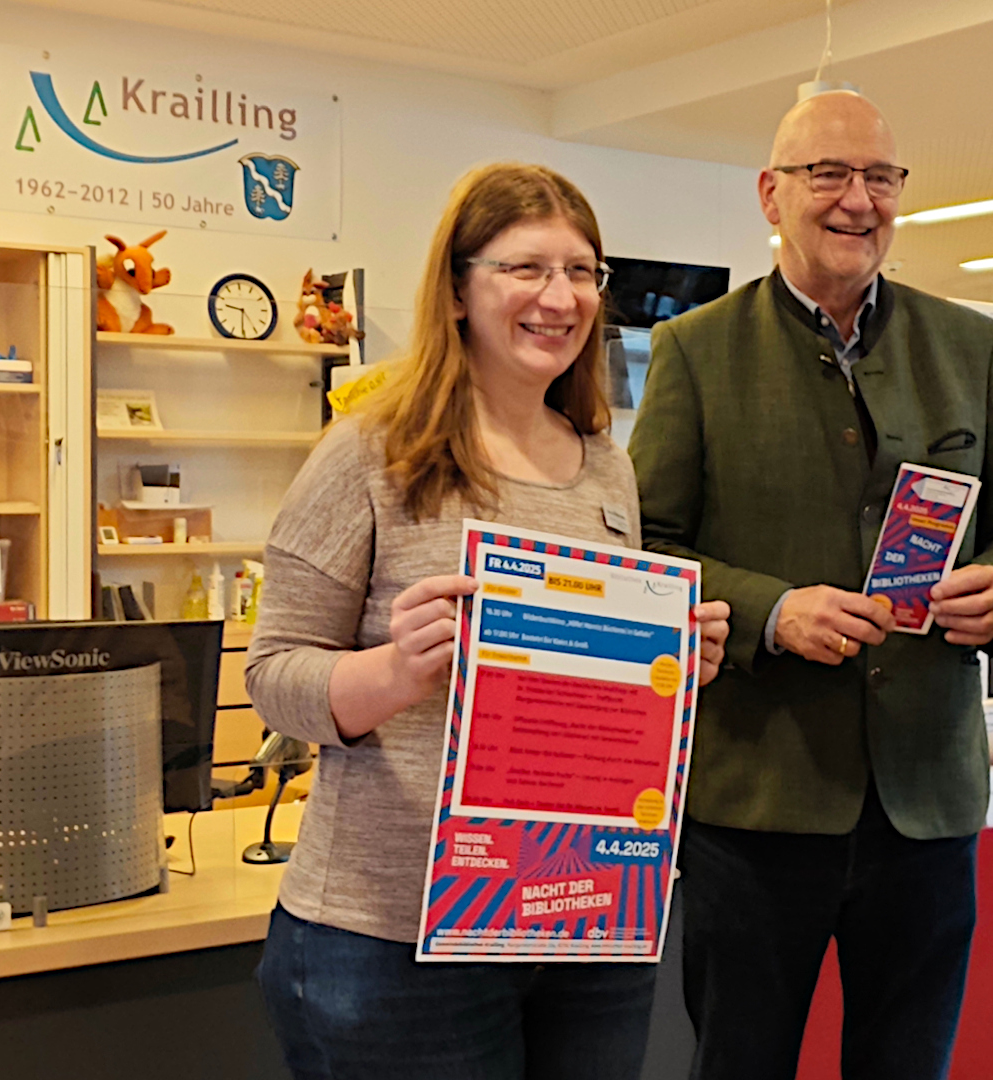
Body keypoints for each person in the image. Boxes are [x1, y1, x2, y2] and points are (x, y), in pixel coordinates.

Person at [245, 161, 732, 1080]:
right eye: (526, 268)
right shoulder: (371, 453)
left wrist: (671, 666)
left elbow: (588, 690)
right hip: (392, 939)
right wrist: (392, 672)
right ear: (460, 288)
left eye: (583, 272)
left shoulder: (604, 469)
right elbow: (273, 676)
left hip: (583, 915)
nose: (561, 297)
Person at [629, 90, 993, 1079]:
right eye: (829, 174)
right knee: (742, 1060)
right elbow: (650, 549)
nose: (857, 200)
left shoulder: (968, 346)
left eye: (880, 177)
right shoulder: (696, 351)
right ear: (772, 195)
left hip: (928, 805)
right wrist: (773, 612)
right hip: (759, 804)